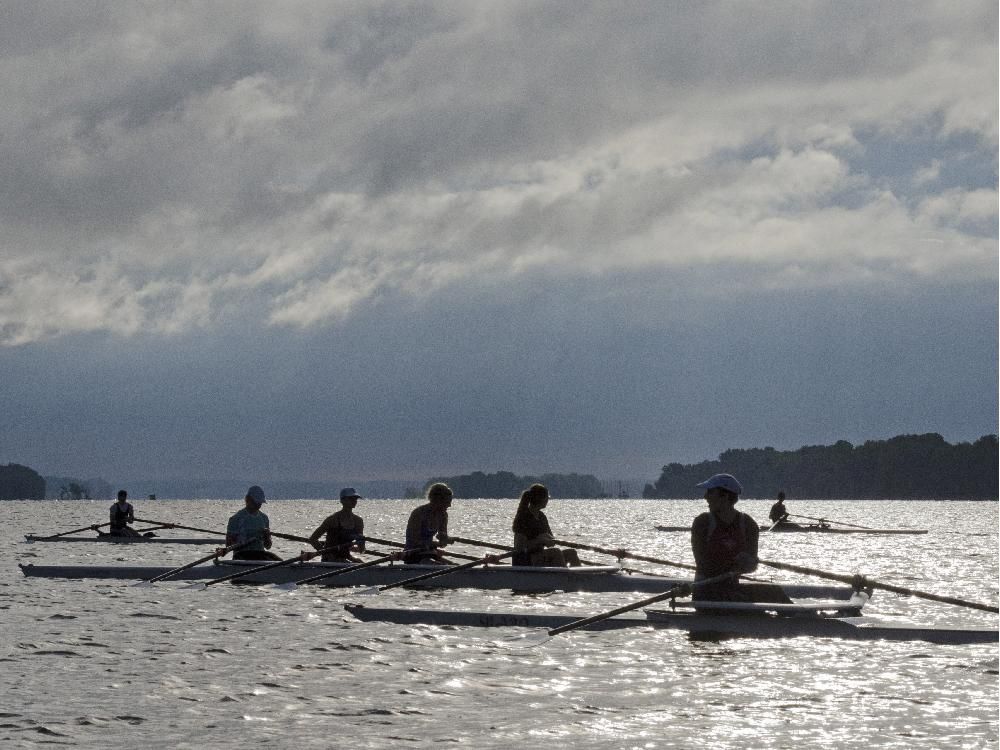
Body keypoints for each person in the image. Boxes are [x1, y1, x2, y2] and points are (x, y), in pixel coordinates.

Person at [690, 473, 790, 603]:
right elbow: (703, 564)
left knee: (775, 592)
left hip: (732, 588)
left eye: (710, 492)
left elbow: (751, 565)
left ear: (724, 496)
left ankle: (805, 618)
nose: (705, 497)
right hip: (706, 591)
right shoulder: (702, 522)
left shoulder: (748, 524)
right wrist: (733, 563)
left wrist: (749, 563)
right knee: (745, 602)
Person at [511, 483, 582, 567]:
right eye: (547, 498)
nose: (548, 500)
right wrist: (539, 540)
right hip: (524, 559)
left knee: (571, 553)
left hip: (539, 556)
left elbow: (551, 541)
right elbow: (520, 547)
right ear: (539, 499)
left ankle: (581, 578)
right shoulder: (523, 517)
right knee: (556, 552)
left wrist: (549, 540)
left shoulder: (542, 517)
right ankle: (564, 578)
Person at [308, 488, 366, 562]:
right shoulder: (332, 519)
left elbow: (362, 550)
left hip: (345, 559)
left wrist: (361, 543)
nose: (354, 501)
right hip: (329, 560)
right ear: (342, 501)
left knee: (359, 562)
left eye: (355, 499)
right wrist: (325, 553)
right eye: (351, 498)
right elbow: (313, 539)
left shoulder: (358, 521)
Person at [224, 485, 281, 561]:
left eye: (260, 503)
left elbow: (268, 546)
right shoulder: (236, 519)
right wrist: (245, 541)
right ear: (248, 499)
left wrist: (267, 537)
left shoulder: (264, 518)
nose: (258, 505)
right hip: (241, 555)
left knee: (279, 561)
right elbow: (228, 545)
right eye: (256, 502)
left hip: (259, 554)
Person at [403, 483, 454, 564]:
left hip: (429, 553)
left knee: (453, 565)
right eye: (447, 501)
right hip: (413, 553)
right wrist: (435, 544)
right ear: (437, 500)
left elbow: (442, 542)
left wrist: (445, 539)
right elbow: (415, 540)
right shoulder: (419, 513)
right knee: (438, 565)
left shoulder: (443, 515)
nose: (450, 505)